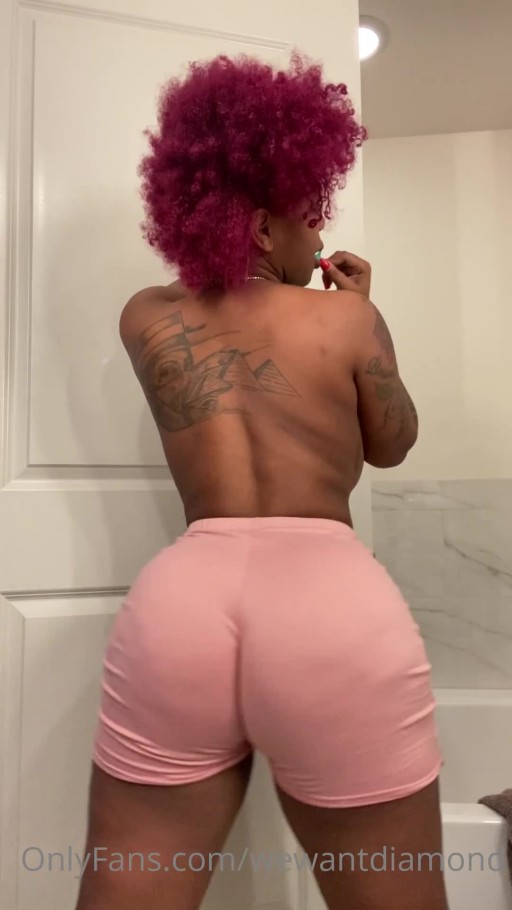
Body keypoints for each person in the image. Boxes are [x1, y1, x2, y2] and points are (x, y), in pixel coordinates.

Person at [76, 53, 449, 910]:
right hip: (330, 609)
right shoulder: (345, 318)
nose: (319, 238)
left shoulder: (147, 316)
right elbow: (392, 444)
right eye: (308, 216)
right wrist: (363, 310)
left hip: (182, 610)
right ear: (259, 226)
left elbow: (213, 309)